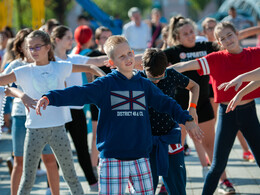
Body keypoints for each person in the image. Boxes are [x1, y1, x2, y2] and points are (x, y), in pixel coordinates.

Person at [35, 35, 203, 194]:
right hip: (112, 158)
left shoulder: (144, 84)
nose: (128, 58)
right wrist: (50, 97)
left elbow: (166, 103)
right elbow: (79, 93)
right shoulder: (105, 84)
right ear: (111, 62)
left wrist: (187, 119)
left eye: (129, 53)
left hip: (141, 157)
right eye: (122, 56)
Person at [0, 30, 105, 195]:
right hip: (34, 131)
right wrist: (22, 95)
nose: (33, 51)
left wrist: (102, 77)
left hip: (58, 130)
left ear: (48, 47)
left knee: (71, 176)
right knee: (28, 179)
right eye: (30, 48)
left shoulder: (60, 67)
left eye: (37, 47)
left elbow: (91, 67)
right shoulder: (24, 71)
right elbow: (2, 82)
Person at [172, 21, 260, 195]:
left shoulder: (255, 54)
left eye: (230, 35)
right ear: (219, 43)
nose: (228, 40)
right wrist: (162, 73)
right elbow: (185, 66)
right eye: (223, 38)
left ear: (237, 34)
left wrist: (242, 82)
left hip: (249, 112)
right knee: (217, 165)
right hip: (227, 114)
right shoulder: (216, 58)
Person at [163, 15, 236, 194]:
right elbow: (152, 61)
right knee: (175, 148)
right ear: (178, 36)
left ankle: (223, 180)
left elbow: (229, 43)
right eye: (185, 33)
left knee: (211, 146)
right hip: (178, 107)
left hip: (202, 104)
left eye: (192, 32)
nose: (190, 36)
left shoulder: (206, 47)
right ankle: (167, 185)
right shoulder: (172, 51)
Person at [51, 25, 108, 191]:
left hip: (76, 111)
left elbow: (96, 62)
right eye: (68, 37)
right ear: (57, 40)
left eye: (72, 37)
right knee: (57, 151)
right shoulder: (49, 62)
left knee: (82, 148)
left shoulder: (74, 58)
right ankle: (50, 186)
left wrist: (115, 56)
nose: (71, 40)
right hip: (57, 111)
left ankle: (92, 182)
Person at [140, 48, 200, 194]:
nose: (157, 81)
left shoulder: (171, 75)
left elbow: (194, 86)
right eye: (152, 78)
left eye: (160, 76)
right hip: (146, 141)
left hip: (170, 137)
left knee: (177, 187)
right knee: (145, 189)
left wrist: (192, 108)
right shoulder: (138, 79)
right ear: (143, 69)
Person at [87, 26, 113, 171]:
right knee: (97, 134)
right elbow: (87, 72)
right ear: (97, 40)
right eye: (104, 37)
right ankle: (93, 167)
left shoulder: (115, 55)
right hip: (98, 100)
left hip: (115, 99)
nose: (107, 40)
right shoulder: (93, 55)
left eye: (110, 36)